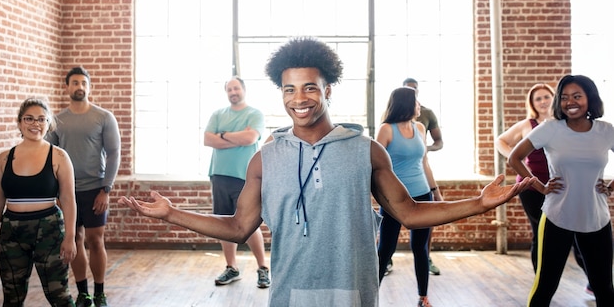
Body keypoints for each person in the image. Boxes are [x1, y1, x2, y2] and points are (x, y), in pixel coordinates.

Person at [119, 37, 535, 307]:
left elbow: (408, 212)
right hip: (290, 294)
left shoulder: (366, 150)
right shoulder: (265, 158)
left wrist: (479, 204)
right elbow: (238, 227)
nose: (298, 99)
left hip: (354, 293)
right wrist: (172, 214)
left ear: (328, 89)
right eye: (288, 89)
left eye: (309, 87)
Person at [508, 75, 614, 306]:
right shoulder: (550, 129)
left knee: (604, 289)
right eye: (564, 97)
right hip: (558, 217)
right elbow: (514, 157)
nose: (570, 102)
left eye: (577, 96)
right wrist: (539, 185)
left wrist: (611, 186)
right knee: (545, 286)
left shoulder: (606, 131)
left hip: (596, 219)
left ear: (590, 98)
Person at [495, 83, 590, 290]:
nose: (543, 102)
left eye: (546, 97)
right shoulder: (527, 125)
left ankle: (593, 280)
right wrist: (512, 157)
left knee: (575, 231)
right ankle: (541, 280)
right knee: (541, 231)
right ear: (532, 104)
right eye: (538, 99)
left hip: (562, 186)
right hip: (532, 187)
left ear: (553, 99)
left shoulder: (563, 123)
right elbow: (501, 141)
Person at [0, 98, 77, 306]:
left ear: (49, 124)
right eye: (29, 118)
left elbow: (68, 200)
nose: (35, 124)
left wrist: (70, 237)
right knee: (12, 298)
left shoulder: (59, 157)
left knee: (59, 296)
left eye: (41, 119)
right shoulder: (4, 159)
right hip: (12, 232)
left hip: (50, 230)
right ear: (19, 122)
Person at [46, 67, 121, 307]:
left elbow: (113, 153)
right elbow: (49, 157)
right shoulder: (57, 121)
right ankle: (83, 294)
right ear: (67, 87)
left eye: (83, 83)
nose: (79, 86)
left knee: (95, 240)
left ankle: (99, 292)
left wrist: (106, 189)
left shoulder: (103, 117)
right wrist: (56, 192)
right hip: (67, 192)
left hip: (95, 189)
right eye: (75, 82)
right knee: (75, 239)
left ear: (89, 87)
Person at [376, 86, 443, 307]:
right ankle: (369, 296)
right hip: (394, 198)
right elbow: (375, 166)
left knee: (420, 248)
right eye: (416, 102)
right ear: (406, 103)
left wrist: (435, 191)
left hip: (423, 194)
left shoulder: (421, 128)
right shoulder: (386, 130)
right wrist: (379, 196)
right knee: (386, 248)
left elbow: (424, 163)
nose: (419, 106)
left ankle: (423, 297)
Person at [204, 76, 270, 288]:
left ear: (243, 89)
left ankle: (262, 268)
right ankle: (231, 268)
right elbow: (208, 139)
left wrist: (222, 136)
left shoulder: (254, 114)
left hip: (245, 177)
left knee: (249, 223)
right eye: (229, 89)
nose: (233, 91)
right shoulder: (218, 114)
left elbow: (250, 139)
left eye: (236, 88)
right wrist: (235, 137)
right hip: (219, 175)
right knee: (224, 223)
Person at [402, 77, 443, 276]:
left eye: (415, 89)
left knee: (426, 220)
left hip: (421, 170)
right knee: (390, 222)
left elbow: (439, 142)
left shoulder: (426, 114)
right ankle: (387, 258)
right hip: (399, 175)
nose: (412, 92)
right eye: (408, 89)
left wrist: (421, 149)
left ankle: (426, 257)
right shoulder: (391, 114)